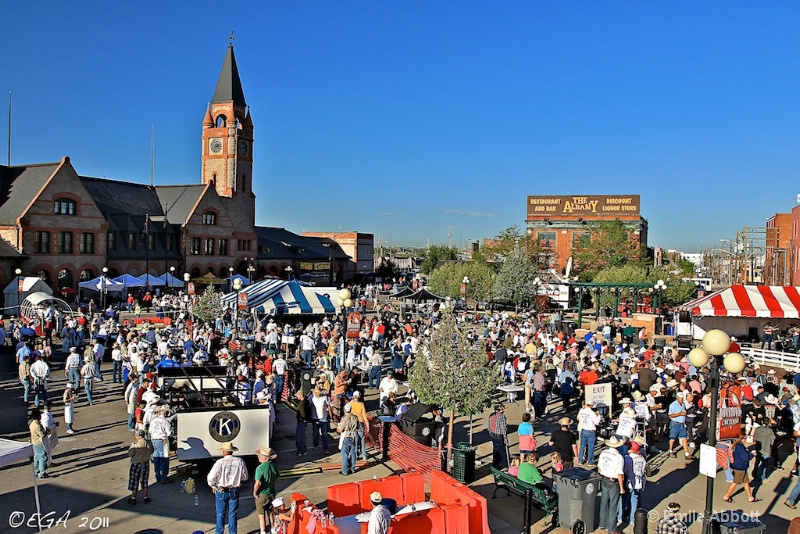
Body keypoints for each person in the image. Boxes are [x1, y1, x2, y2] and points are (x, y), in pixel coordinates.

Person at [207, 442, 249, 534]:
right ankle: (232, 532)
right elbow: (245, 477)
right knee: (233, 514)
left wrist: (212, 485)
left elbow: (211, 477)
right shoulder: (239, 461)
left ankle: (219, 532)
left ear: (224, 452)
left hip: (221, 490)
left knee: (220, 514)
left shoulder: (220, 462)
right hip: (234, 489)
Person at [597, 436, 626, 534]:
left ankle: (602, 524)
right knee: (613, 505)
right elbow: (620, 473)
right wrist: (622, 488)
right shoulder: (618, 457)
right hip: (613, 481)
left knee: (604, 502)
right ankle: (611, 528)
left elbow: (599, 468)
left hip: (604, 478)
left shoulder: (603, 453)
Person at [722, 434, 760, 503]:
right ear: (741, 439)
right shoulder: (740, 447)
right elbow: (746, 457)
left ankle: (750, 497)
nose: (745, 439)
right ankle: (726, 496)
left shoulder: (736, 446)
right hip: (740, 467)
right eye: (744, 438)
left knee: (746, 482)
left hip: (738, 466)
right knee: (735, 482)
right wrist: (752, 454)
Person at [253, 447, 280, 534]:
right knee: (271, 512)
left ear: (264, 457)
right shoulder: (274, 466)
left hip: (262, 494)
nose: (258, 457)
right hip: (271, 492)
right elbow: (278, 479)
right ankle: (273, 529)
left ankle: (263, 531)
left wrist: (254, 492)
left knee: (261, 515)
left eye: (259, 455)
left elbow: (257, 483)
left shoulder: (259, 468)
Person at [127, 429, 153, 505]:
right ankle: (146, 497)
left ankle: (133, 498)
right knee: (144, 480)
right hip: (145, 463)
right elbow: (151, 451)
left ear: (139, 436)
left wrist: (130, 448)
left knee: (135, 481)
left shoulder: (135, 445)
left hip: (136, 464)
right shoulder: (148, 443)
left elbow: (130, 454)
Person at [149, 405, 172, 484]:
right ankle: (164, 477)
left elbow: (150, 431)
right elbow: (169, 433)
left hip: (154, 440)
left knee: (156, 458)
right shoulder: (165, 421)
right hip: (162, 440)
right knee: (164, 458)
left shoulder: (153, 420)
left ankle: (157, 475)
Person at [668, 391, 691, 459]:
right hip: (675, 424)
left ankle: (687, 453)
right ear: (677, 398)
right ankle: (670, 451)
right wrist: (679, 414)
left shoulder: (683, 404)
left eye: (682, 398)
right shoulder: (673, 405)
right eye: (680, 398)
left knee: (684, 438)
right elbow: (670, 415)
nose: (681, 399)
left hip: (682, 424)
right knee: (672, 438)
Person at [337, 403, 359, 476]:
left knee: (345, 455)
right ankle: (352, 469)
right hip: (353, 436)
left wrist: (338, 428)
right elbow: (358, 426)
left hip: (346, 437)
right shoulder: (355, 417)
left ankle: (345, 471)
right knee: (353, 454)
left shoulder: (344, 418)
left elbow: (340, 430)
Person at [577, 401, 601, 466]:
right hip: (591, 431)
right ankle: (590, 461)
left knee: (582, 446)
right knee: (591, 446)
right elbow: (597, 422)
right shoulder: (592, 413)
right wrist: (598, 415)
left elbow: (579, 419)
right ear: (592, 405)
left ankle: (580, 460)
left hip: (584, 430)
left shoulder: (582, 411)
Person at [309, 387, 331, 453]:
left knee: (324, 434)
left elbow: (328, 404)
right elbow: (308, 405)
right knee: (315, 433)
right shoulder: (311, 398)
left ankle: (326, 448)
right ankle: (315, 444)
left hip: (323, 418)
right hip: (315, 418)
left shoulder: (324, 397)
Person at [488, 404, 509, 469]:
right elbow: (503, 429)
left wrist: (490, 434)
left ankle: (495, 464)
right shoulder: (502, 417)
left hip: (493, 435)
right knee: (502, 451)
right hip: (499, 436)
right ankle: (505, 465)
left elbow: (489, 427)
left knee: (495, 450)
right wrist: (505, 439)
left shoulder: (491, 415)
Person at [29, 408, 48, 478]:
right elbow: (42, 435)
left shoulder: (32, 424)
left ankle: (36, 471)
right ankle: (42, 473)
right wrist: (46, 432)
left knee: (36, 457)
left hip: (34, 442)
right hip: (39, 443)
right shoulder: (37, 426)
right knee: (43, 457)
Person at [293, 390, 310, 456]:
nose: (297, 397)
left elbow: (303, 414)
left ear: (301, 395)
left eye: (297, 395)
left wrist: (301, 419)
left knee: (300, 437)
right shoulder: (305, 402)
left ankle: (301, 450)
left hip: (301, 422)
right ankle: (302, 450)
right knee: (301, 436)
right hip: (303, 422)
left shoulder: (302, 404)